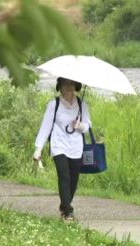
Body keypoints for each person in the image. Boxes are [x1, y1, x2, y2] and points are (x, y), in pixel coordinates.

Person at [33, 77, 91, 221]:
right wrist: (38, 148)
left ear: (76, 86)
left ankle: (64, 205)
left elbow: (88, 125)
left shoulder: (82, 104)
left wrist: (80, 126)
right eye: (65, 84)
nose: (68, 87)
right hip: (59, 145)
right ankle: (68, 211)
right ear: (60, 86)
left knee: (73, 179)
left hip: (76, 146)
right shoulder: (54, 104)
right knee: (64, 176)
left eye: (71, 84)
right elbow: (45, 126)